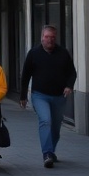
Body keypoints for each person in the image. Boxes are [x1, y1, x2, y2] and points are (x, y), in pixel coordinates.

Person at [20, 25, 77, 168]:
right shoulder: (34, 53)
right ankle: (47, 153)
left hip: (59, 96)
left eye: (52, 37)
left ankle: (51, 150)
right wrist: (23, 96)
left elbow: (72, 72)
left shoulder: (63, 53)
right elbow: (26, 75)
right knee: (45, 120)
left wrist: (69, 86)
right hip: (40, 95)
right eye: (47, 37)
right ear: (42, 38)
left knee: (56, 126)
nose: (50, 40)